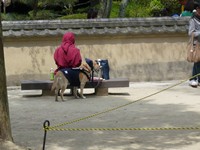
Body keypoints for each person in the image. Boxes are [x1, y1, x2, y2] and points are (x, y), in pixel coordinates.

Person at [188, 1, 200, 87]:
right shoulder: (193, 19)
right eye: (199, 9)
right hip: (197, 44)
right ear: (196, 9)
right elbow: (190, 33)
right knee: (197, 61)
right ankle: (193, 79)